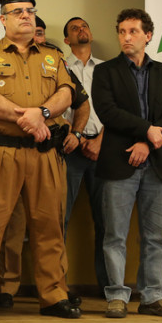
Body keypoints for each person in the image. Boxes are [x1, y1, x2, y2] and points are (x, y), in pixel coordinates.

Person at [0, 0, 79, 320]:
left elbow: (67, 92)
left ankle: (53, 295)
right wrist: (26, 118)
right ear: (3, 19)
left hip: (44, 154)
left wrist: (41, 113)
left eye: (30, 11)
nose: (26, 16)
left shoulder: (52, 55)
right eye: (17, 12)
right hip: (2, 151)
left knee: (49, 227)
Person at [93, 8, 162, 319]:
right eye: (121, 31)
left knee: (155, 235)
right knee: (115, 234)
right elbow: (108, 112)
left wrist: (147, 141)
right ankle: (117, 295)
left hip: (155, 162)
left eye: (133, 31)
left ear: (148, 35)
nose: (126, 37)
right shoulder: (105, 72)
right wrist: (145, 129)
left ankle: (152, 296)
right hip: (119, 163)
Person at [61, 16, 109, 295]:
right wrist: (76, 136)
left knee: (106, 221)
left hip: (103, 150)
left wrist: (101, 140)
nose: (82, 30)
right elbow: (54, 107)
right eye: (74, 29)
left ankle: (107, 287)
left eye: (85, 26)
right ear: (67, 40)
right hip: (69, 149)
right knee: (60, 219)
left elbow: (116, 109)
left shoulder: (107, 69)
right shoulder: (60, 66)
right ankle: (58, 285)